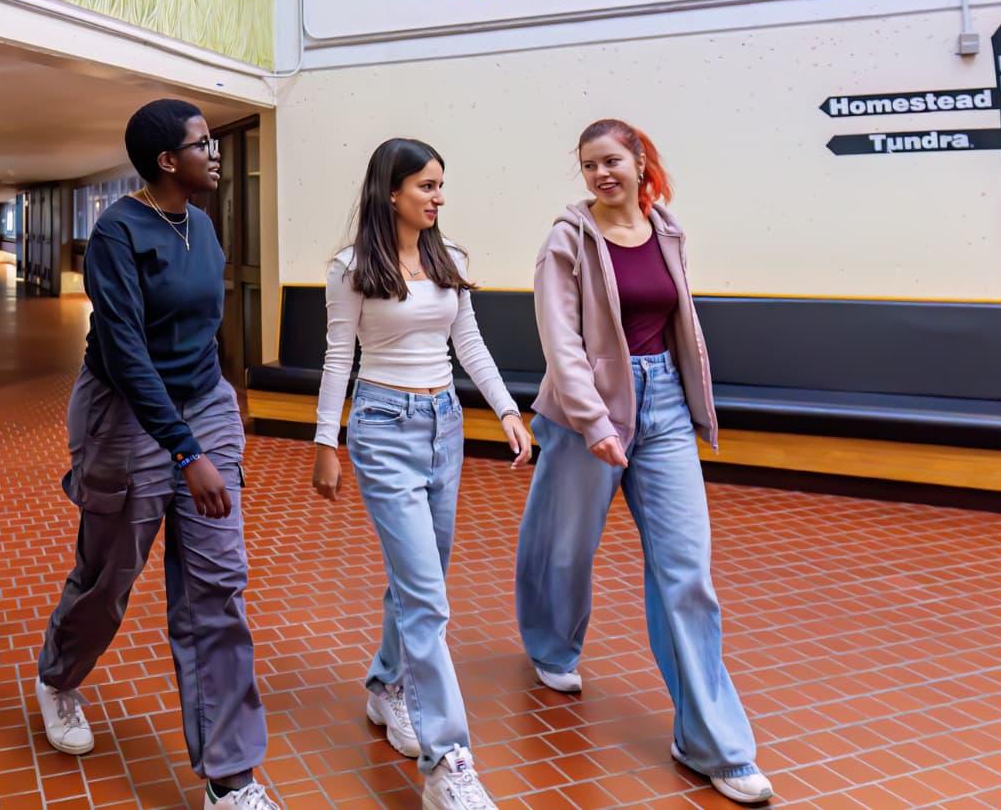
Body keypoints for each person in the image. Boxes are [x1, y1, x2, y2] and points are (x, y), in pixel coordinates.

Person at [514, 120, 774, 805]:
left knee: (686, 572)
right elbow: (561, 342)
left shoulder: (667, 230)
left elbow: (680, 323)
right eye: (589, 164)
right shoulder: (565, 241)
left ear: (640, 162)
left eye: (613, 161)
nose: (602, 174)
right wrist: (596, 422)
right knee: (564, 548)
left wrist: (690, 403)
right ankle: (551, 646)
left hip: (663, 413)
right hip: (585, 412)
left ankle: (712, 741)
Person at [32, 100, 279, 810]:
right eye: (204, 145)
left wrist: (217, 410)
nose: (215, 155)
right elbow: (125, 349)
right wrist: (186, 450)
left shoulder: (201, 224)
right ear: (167, 161)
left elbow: (201, 327)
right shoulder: (117, 231)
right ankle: (57, 674)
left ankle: (231, 778)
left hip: (200, 402)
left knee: (217, 586)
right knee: (111, 572)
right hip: (125, 413)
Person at [311, 139, 531, 810]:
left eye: (441, 185)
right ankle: (448, 761)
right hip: (381, 427)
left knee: (421, 575)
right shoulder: (351, 267)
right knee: (428, 596)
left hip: (444, 425)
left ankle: (388, 685)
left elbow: (469, 342)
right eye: (426, 186)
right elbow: (336, 354)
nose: (437, 197)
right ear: (391, 192)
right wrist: (327, 439)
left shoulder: (449, 257)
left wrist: (506, 410)